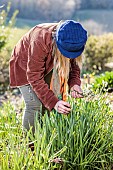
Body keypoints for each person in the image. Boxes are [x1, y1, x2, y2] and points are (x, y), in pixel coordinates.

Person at [9, 20, 87, 134]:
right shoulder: (40, 38)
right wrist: (54, 102)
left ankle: (43, 136)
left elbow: (74, 64)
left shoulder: (74, 38)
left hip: (47, 64)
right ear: (58, 42)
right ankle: (30, 145)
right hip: (24, 65)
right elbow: (34, 75)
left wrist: (74, 84)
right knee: (34, 105)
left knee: (48, 102)